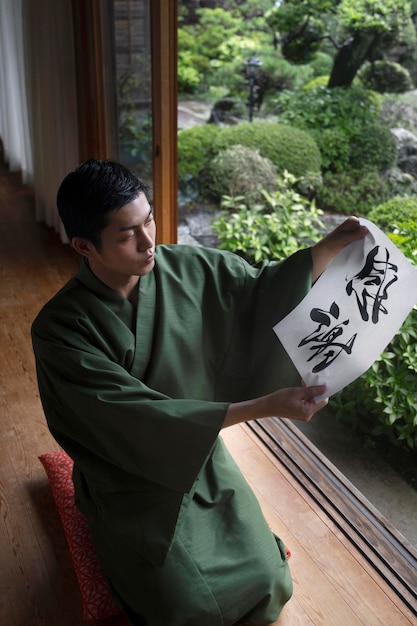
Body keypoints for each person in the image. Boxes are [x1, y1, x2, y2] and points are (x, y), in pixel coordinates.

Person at [31, 159, 367, 626]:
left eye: (148, 219)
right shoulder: (60, 330)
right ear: (85, 246)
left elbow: (259, 292)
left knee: (270, 582)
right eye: (128, 234)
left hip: (200, 454)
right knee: (191, 610)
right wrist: (265, 406)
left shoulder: (185, 267)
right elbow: (132, 421)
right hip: (130, 479)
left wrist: (326, 248)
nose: (150, 242)